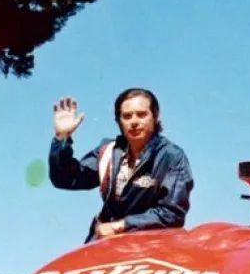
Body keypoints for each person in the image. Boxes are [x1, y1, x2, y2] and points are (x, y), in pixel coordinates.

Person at [48, 87, 195, 243]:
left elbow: (172, 213)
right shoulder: (108, 152)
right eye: (127, 116)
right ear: (119, 121)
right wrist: (61, 138)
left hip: (149, 246)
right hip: (103, 244)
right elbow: (66, 179)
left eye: (142, 114)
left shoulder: (171, 157)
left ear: (155, 117)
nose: (134, 122)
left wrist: (121, 226)